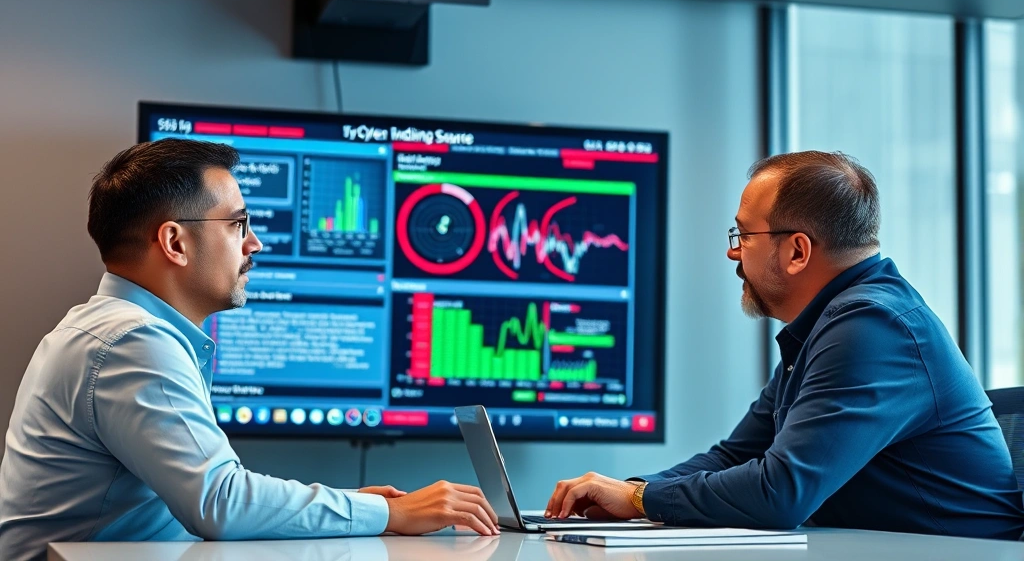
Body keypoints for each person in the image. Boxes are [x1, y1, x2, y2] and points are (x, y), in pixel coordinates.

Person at [0, 139, 499, 561]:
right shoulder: (132, 341)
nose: (254, 243)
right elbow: (220, 501)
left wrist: (351, 505)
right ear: (175, 242)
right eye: (238, 224)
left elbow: (214, 495)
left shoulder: (110, 329)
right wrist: (392, 513)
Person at [544, 151, 1024, 540]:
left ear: (797, 251)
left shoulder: (873, 328)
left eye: (743, 235)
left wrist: (640, 501)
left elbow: (780, 493)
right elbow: (734, 456)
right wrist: (632, 492)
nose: (733, 252)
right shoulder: (828, 326)